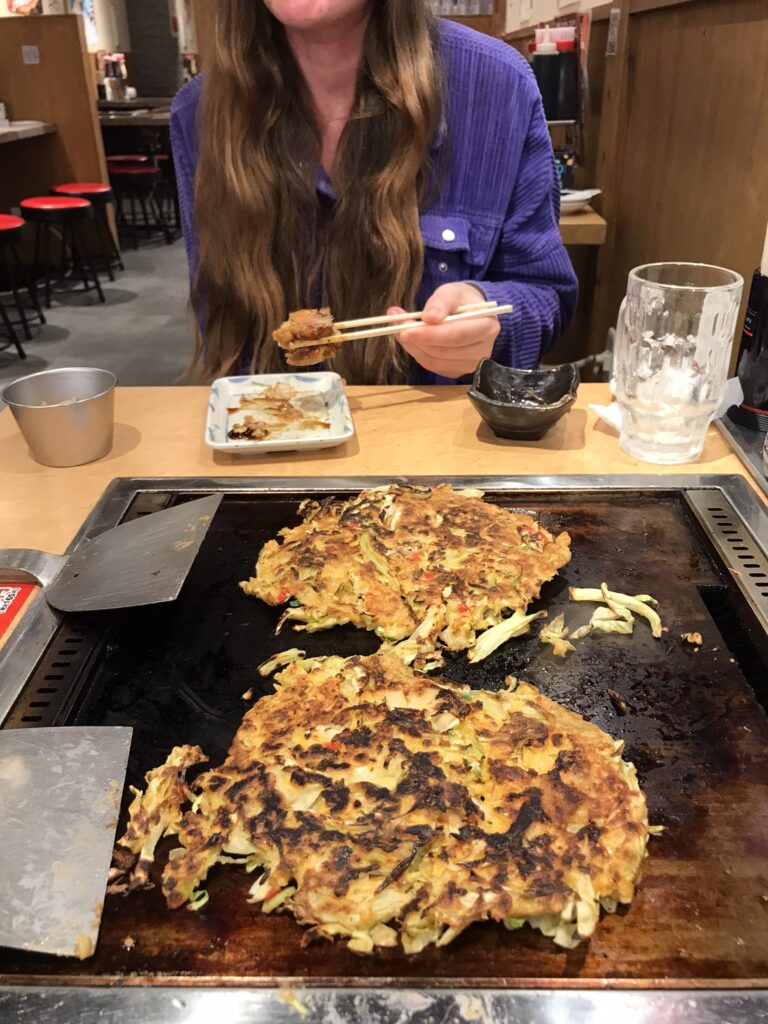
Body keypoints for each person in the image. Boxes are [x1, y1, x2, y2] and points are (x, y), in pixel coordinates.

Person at [171, 0, 578, 385]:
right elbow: (221, 326)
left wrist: (491, 325)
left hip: (439, 445)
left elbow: (545, 294)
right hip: (274, 440)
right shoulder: (199, 115)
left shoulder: (496, 84)